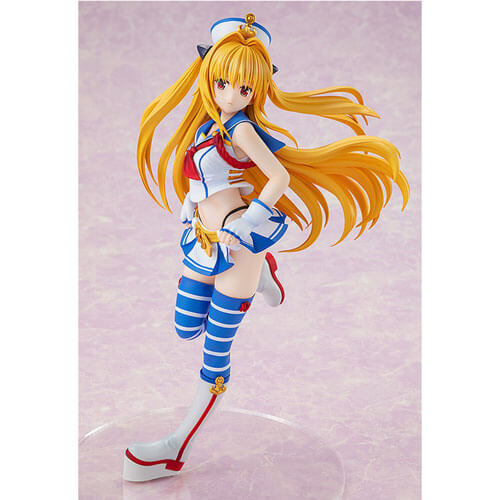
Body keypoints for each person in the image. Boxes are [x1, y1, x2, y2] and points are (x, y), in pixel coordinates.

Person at [123, 14, 410, 482]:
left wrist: (248, 224)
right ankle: (263, 276)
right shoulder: (208, 125)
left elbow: (279, 177)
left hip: (237, 243)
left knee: (214, 356)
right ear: (207, 75)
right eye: (222, 83)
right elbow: (206, 178)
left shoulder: (240, 130)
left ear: (256, 91)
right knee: (183, 327)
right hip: (202, 238)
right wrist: (191, 206)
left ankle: (175, 449)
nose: (230, 95)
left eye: (244, 88)